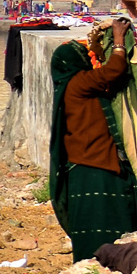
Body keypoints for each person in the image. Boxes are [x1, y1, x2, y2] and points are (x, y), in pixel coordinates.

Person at [50, 17, 137, 261]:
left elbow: (111, 81)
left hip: (86, 161)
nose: (89, 59)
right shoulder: (79, 83)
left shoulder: (73, 85)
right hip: (95, 163)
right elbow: (113, 71)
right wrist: (119, 41)